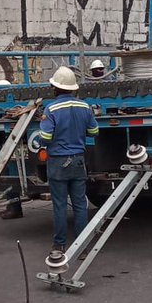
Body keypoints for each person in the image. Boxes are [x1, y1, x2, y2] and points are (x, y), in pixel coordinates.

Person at [37, 66, 99, 264]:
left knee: (60, 205)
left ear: (55, 88)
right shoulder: (85, 107)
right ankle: (82, 245)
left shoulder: (51, 109)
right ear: (73, 88)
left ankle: (60, 244)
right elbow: (94, 132)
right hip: (78, 160)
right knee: (80, 204)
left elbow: (46, 137)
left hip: (57, 162)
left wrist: (39, 140)